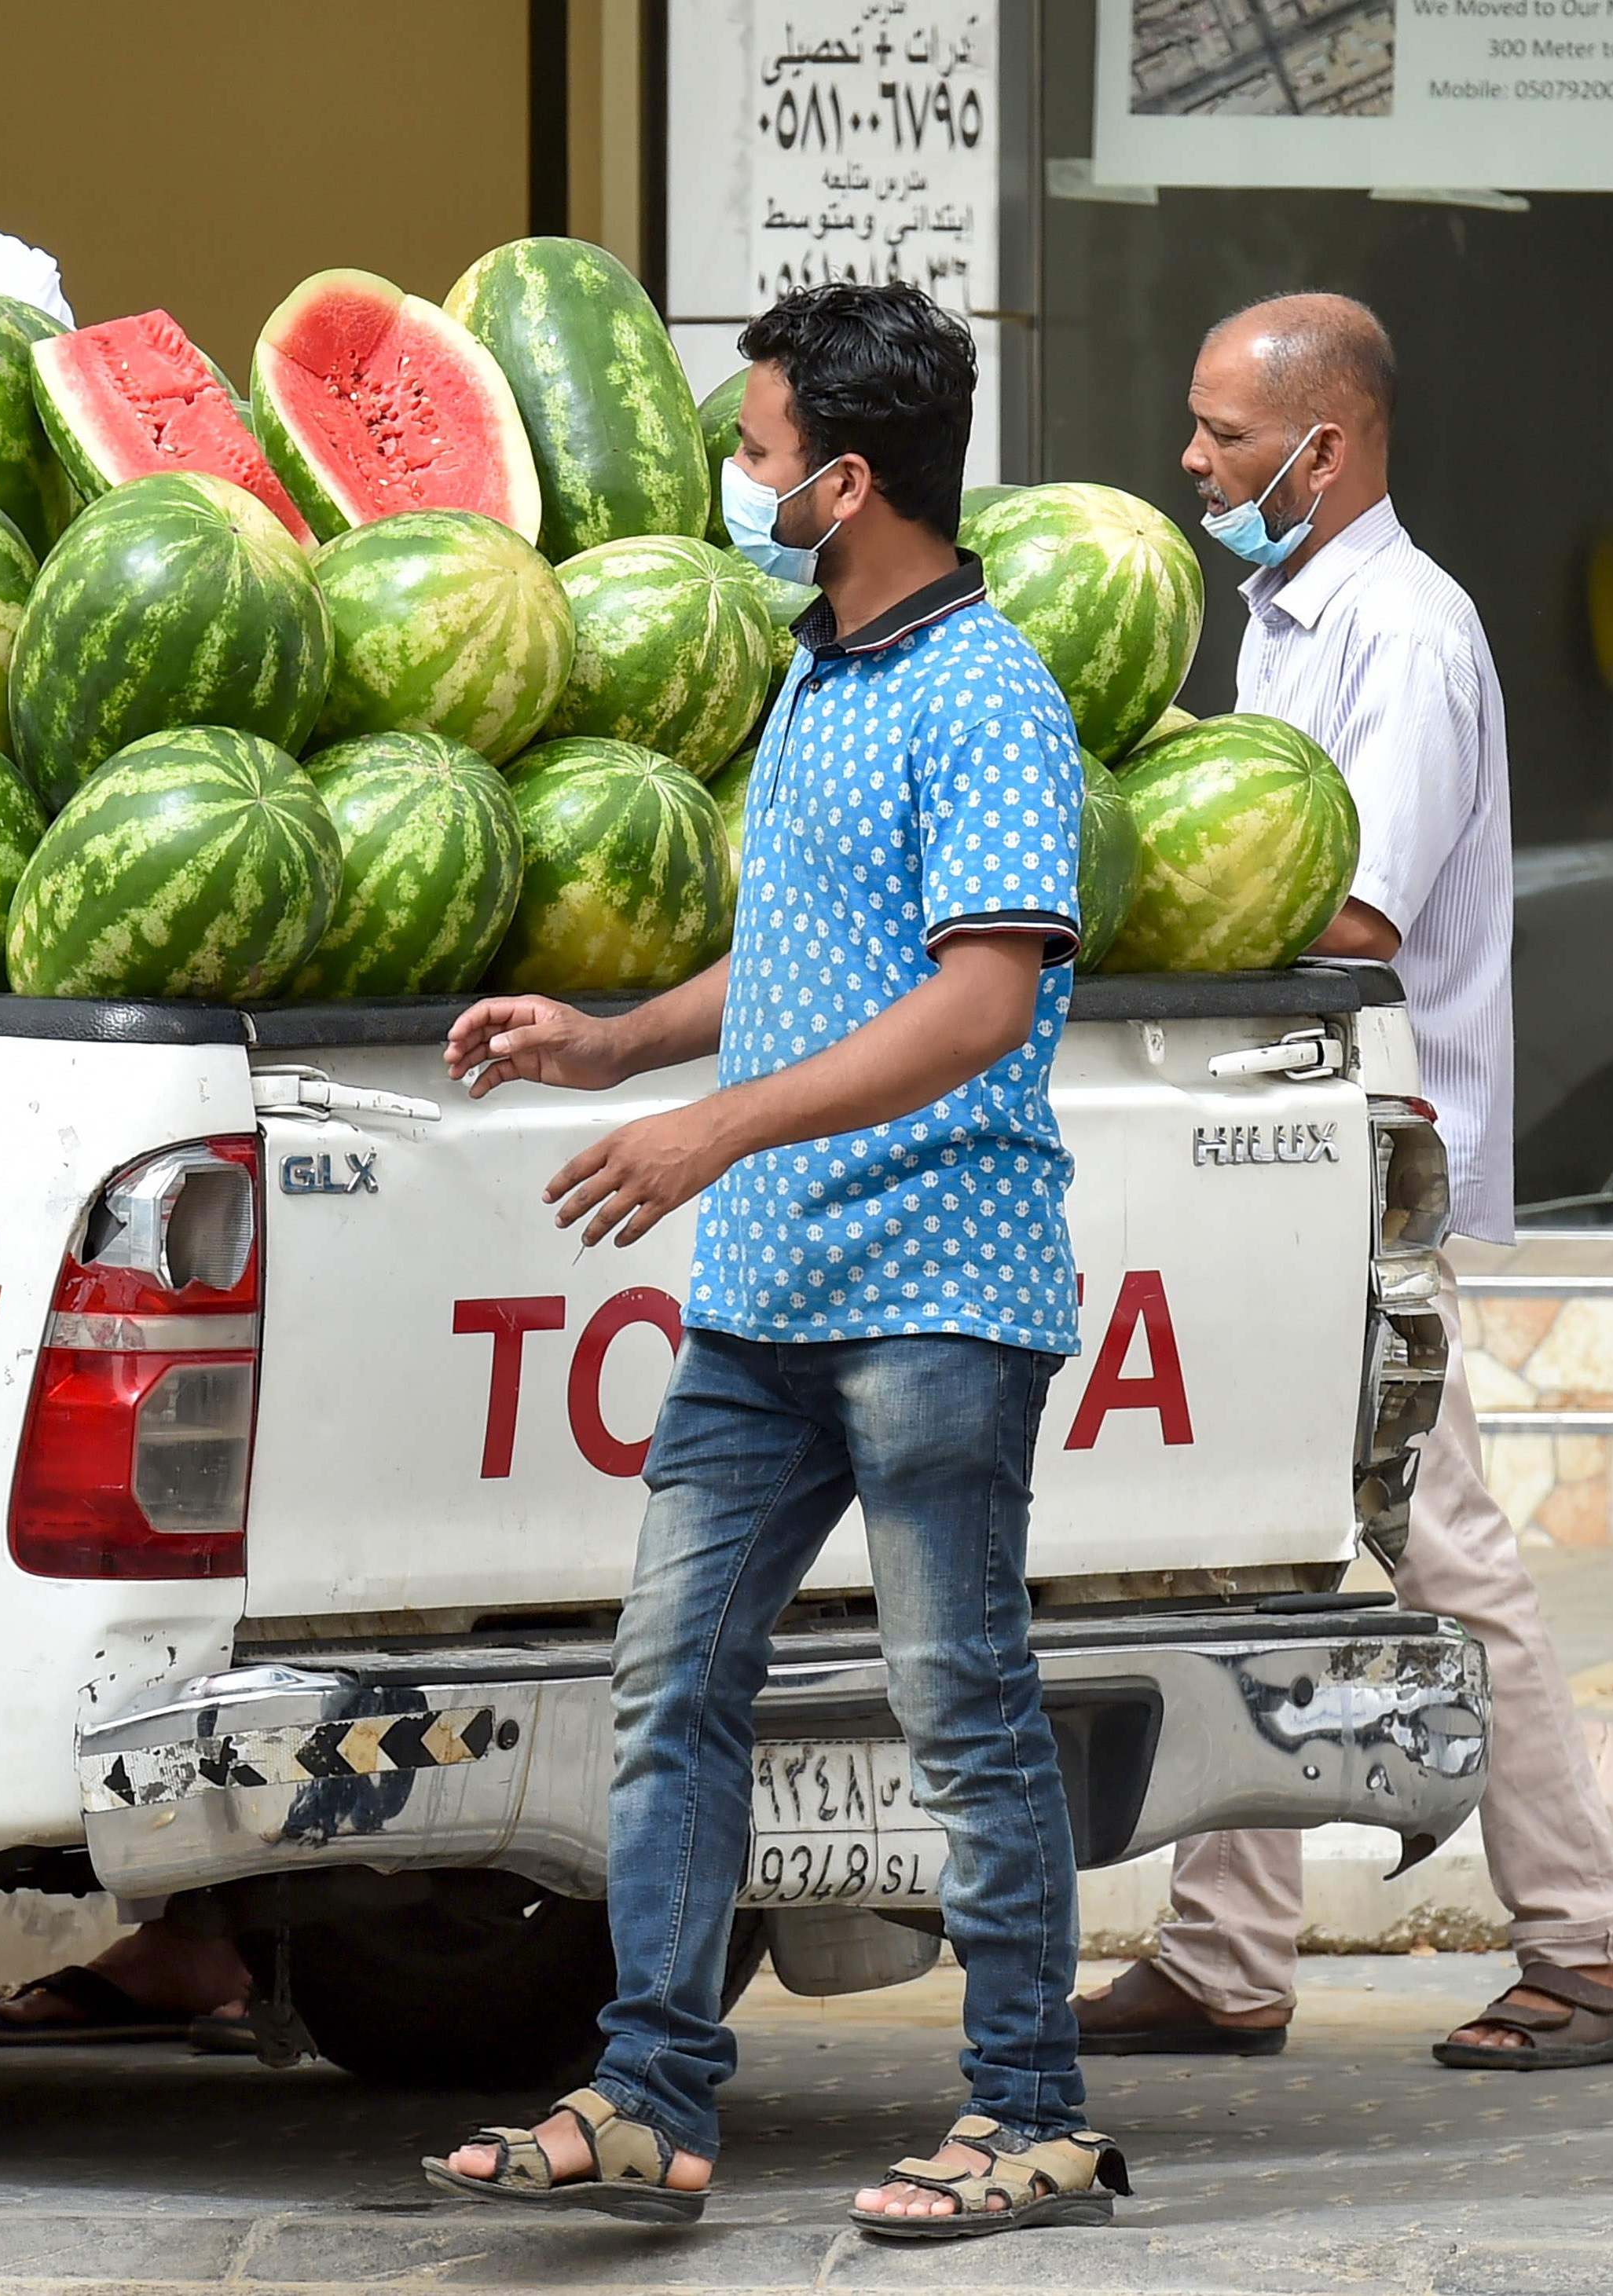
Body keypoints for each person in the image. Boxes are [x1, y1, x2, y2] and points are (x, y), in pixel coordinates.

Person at [420, 282, 1127, 2240]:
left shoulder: (989, 692)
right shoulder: (818, 670)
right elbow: (813, 948)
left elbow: (977, 997)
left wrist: (709, 1126)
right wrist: (615, 1037)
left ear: (844, 475)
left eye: (750, 454)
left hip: (931, 1289)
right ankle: (649, 2089)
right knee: (669, 1683)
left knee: (957, 1699)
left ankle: (1028, 2111)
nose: (733, 482)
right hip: (764, 1290)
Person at [1073, 295, 1613, 2072]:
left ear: (1320, 451)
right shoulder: (1282, 622)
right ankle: (1226, 1950)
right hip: (1271, 1144)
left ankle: (1583, 1954)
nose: (1191, 464)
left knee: (1440, 1550)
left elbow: (1350, 916)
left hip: (1353, 1154)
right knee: (1244, 1537)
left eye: (1223, 437)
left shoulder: (1402, 634)